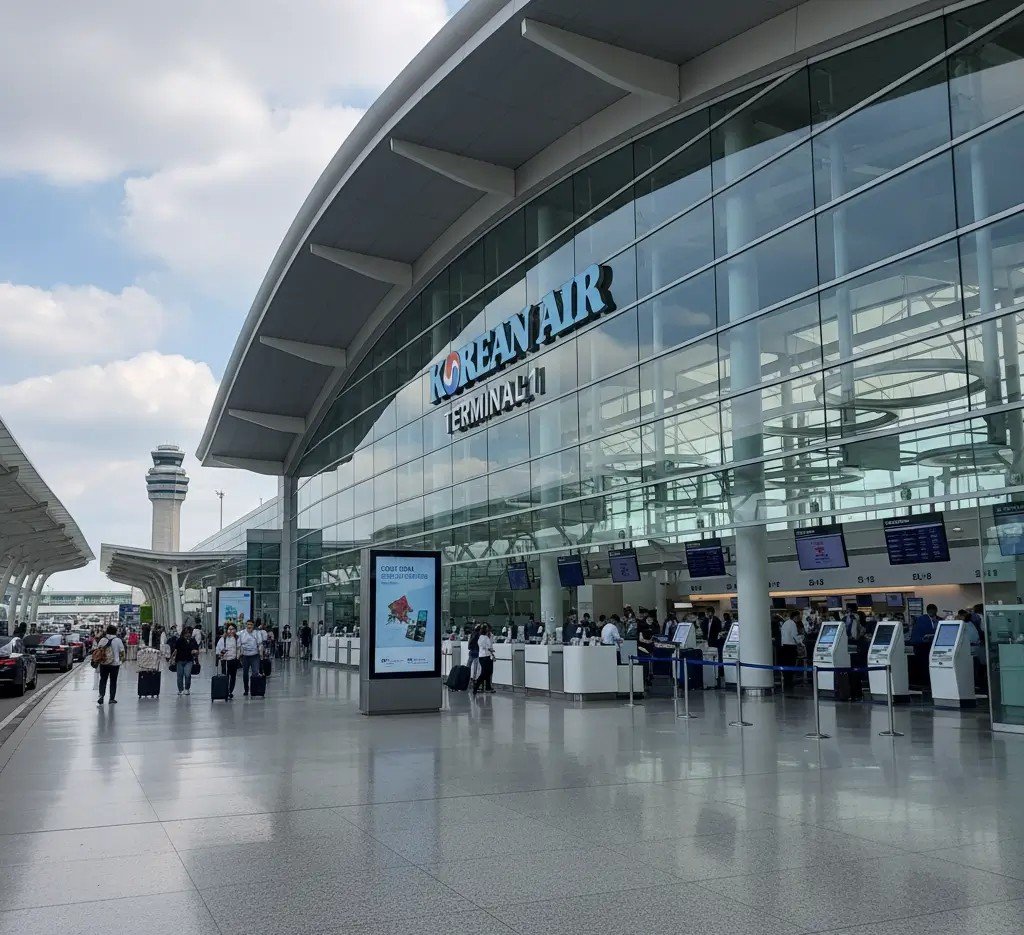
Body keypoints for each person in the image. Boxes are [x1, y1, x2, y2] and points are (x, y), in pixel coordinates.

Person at [96, 624, 125, 705]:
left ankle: (101, 696)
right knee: (113, 681)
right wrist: (122, 661)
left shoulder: (102, 640)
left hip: (104, 663)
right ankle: (111, 699)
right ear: (115, 631)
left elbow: (98, 650)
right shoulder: (118, 640)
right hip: (115, 664)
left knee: (103, 680)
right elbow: (122, 652)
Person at [172, 626, 199, 696]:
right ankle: (180, 689)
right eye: (186, 633)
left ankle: (187, 689)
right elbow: (175, 650)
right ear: (183, 633)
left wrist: (195, 653)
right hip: (179, 660)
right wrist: (172, 658)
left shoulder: (193, 640)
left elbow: (196, 650)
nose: (188, 634)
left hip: (189, 660)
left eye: (189, 633)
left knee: (188, 675)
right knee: (180, 676)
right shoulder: (179, 640)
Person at [237, 620, 263, 696]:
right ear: (246, 625)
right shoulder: (241, 633)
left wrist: (261, 656)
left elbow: (260, 644)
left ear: (253, 625)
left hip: (255, 656)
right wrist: (238, 656)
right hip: (245, 656)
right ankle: (246, 689)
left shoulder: (257, 633)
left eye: (251, 625)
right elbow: (238, 645)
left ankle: (254, 689)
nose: (249, 626)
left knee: (255, 672)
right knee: (245, 674)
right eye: (248, 624)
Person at [215, 623, 240, 699]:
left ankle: (230, 691)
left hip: (233, 660)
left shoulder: (237, 638)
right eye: (229, 629)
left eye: (233, 629)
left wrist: (238, 658)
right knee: (225, 676)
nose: (231, 631)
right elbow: (218, 649)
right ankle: (225, 691)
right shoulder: (223, 638)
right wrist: (221, 653)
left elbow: (239, 649)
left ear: (235, 630)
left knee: (233, 676)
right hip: (225, 661)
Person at [779, 611, 800, 691]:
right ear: (795, 617)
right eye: (798, 616)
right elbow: (795, 635)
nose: (799, 618)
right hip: (791, 647)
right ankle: (789, 682)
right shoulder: (793, 624)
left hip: (784, 646)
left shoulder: (785, 623)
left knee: (786, 665)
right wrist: (799, 643)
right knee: (791, 664)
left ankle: (786, 682)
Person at [474, 625, 495, 694]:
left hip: (483, 656)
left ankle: (487, 687)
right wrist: (490, 649)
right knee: (486, 672)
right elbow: (486, 646)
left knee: (487, 672)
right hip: (486, 656)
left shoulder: (481, 637)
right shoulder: (485, 637)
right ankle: (477, 685)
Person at [710, 613, 727, 688]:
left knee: (719, 662)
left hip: (717, 650)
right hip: (719, 650)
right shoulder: (720, 637)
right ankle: (721, 680)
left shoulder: (718, 638)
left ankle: (720, 680)